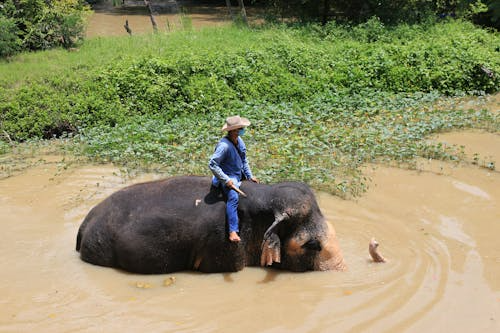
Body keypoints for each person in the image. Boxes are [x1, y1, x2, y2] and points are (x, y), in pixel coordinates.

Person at [209, 115, 258, 242]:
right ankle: (233, 231)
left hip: (238, 174)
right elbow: (213, 164)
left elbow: (244, 160)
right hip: (228, 176)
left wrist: (249, 175)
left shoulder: (240, 141)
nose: (242, 130)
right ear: (233, 131)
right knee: (233, 197)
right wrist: (226, 180)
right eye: (240, 128)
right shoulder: (224, 146)